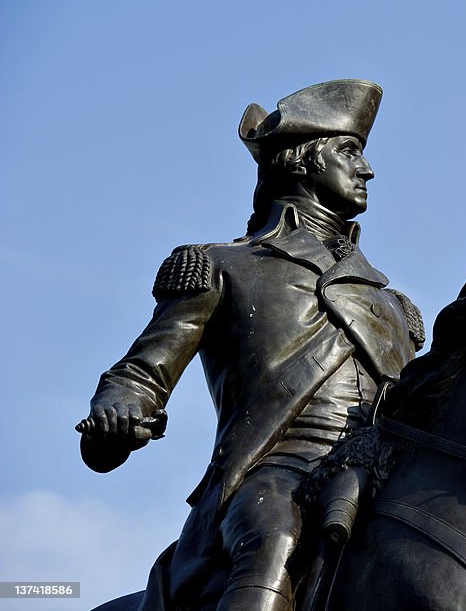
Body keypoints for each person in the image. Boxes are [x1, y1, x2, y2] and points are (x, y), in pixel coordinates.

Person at [79, 80, 424, 611]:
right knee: (275, 538)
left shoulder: (394, 306)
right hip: (275, 471)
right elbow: (141, 374)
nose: (368, 169)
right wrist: (120, 408)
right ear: (303, 161)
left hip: (383, 472)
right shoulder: (221, 265)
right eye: (350, 151)